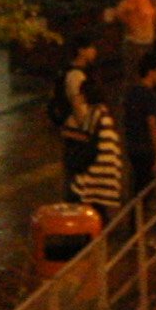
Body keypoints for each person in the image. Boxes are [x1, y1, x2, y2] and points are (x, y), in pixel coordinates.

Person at [51, 42, 100, 196]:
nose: (95, 51)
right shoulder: (76, 75)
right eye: (91, 47)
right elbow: (78, 105)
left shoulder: (73, 72)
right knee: (76, 169)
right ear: (81, 50)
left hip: (74, 129)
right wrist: (89, 127)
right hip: (76, 131)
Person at [123, 49, 156, 197]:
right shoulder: (150, 96)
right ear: (151, 72)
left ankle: (135, 218)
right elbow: (153, 126)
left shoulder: (131, 92)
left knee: (136, 185)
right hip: (146, 147)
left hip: (132, 146)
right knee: (146, 190)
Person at [72, 96, 126, 215]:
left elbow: (88, 139)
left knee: (89, 205)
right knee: (98, 208)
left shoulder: (94, 113)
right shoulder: (104, 112)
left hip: (96, 169)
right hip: (105, 166)